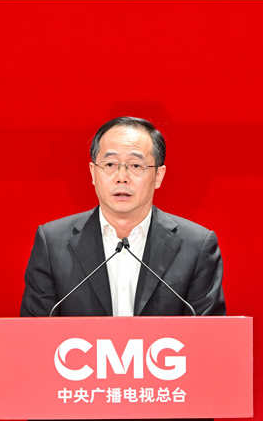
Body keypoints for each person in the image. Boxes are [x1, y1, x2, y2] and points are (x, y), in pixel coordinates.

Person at [20, 116, 225, 317]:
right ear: (93, 173)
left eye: (136, 166)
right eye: (110, 165)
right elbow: (33, 332)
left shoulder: (196, 246)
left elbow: (210, 334)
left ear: (158, 176)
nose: (122, 177)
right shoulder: (53, 244)